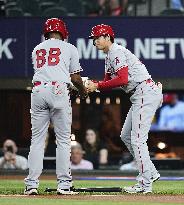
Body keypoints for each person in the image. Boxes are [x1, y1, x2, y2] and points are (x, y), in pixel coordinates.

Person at [86, 24, 163, 194]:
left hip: (145, 92)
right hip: (140, 94)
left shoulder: (116, 51)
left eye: (98, 37)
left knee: (137, 140)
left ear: (108, 37)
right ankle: (150, 172)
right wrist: (90, 86)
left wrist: (96, 85)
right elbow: (107, 81)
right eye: (94, 39)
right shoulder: (108, 56)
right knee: (126, 136)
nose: (95, 41)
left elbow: (122, 79)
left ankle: (144, 183)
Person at [24, 18, 88, 195]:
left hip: (37, 90)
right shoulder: (69, 48)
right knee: (63, 141)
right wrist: (82, 91)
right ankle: (64, 184)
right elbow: (75, 79)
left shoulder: (37, 49)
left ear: (46, 32)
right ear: (63, 32)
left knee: (37, 140)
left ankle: (31, 185)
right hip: (58, 89)